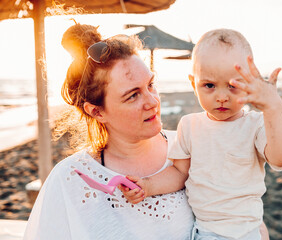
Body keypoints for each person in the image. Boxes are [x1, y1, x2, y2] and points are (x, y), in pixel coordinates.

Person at [23, 23, 195, 240]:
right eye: (133, 95)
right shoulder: (70, 179)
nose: (153, 101)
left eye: (151, 85)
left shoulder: (191, 148)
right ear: (97, 111)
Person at [121, 29, 282, 240]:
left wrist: (273, 107)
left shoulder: (255, 124)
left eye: (233, 86)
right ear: (194, 84)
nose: (221, 97)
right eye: (209, 85)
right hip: (203, 231)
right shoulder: (189, 125)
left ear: (249, 84)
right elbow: (179, 173)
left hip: (246, 231)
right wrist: (148, 185)